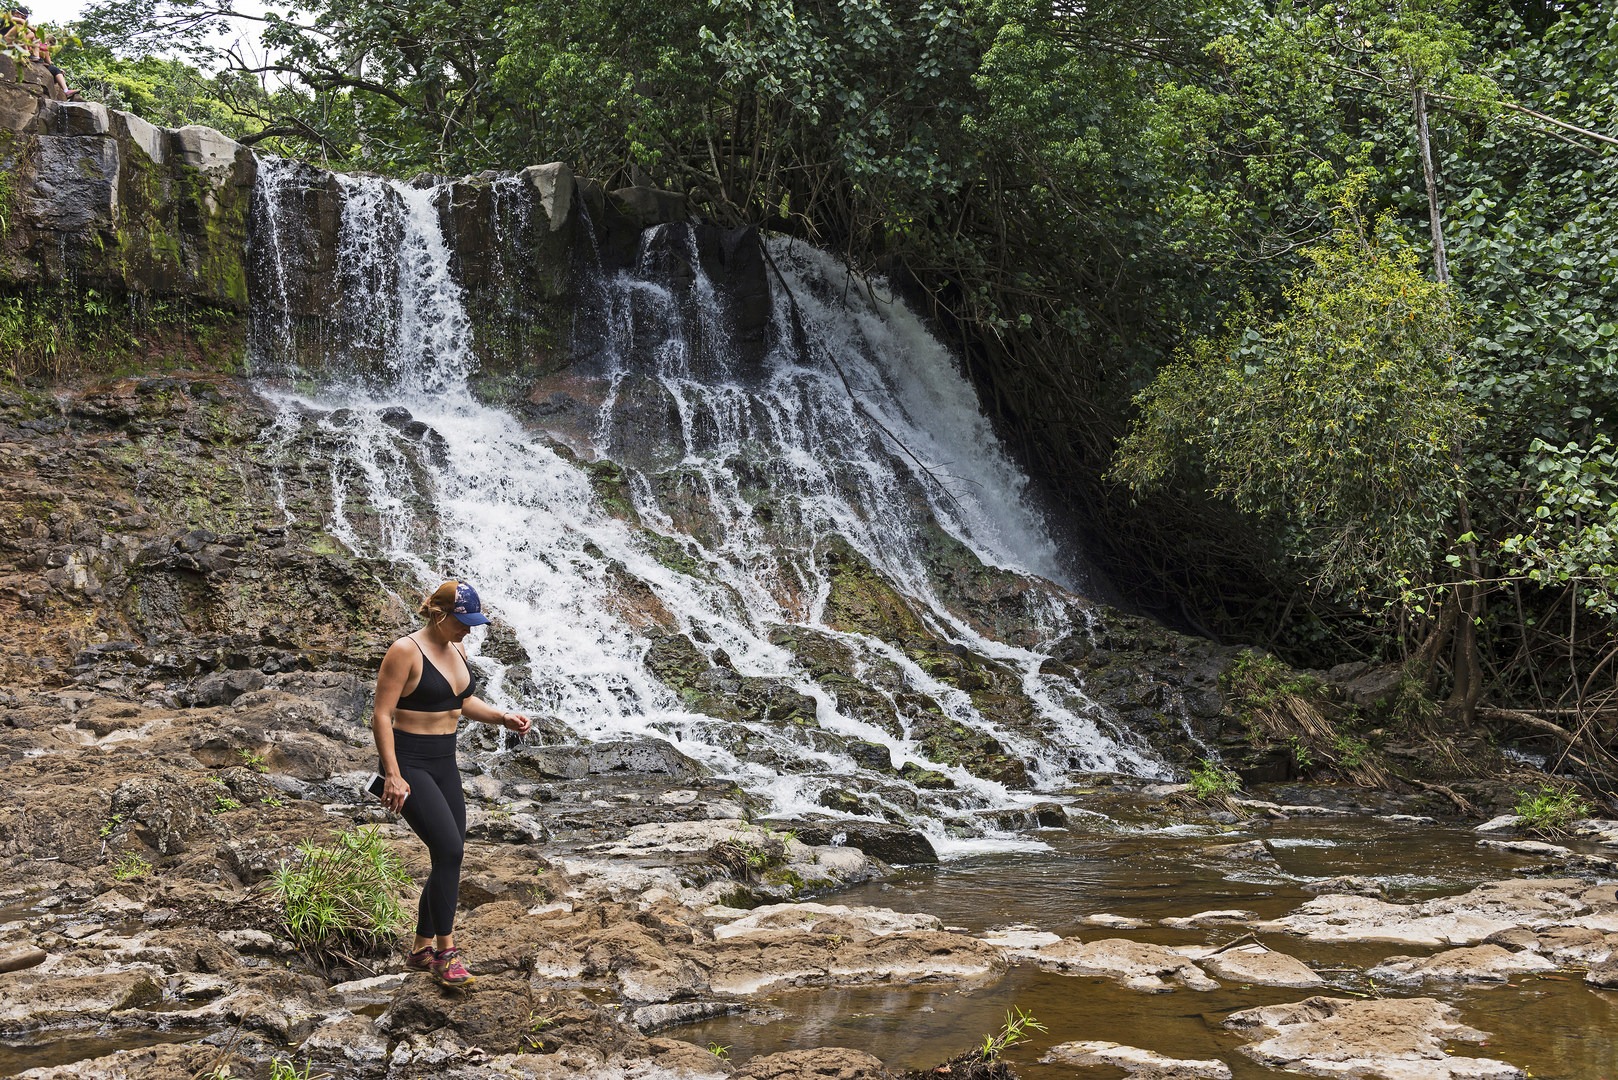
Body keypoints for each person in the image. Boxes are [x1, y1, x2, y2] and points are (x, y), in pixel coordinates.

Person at [372, 579, 531, 988]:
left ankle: (420, 948)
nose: (469, 630)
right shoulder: (405, 651)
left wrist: (502, 717)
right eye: (464, 621)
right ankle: (446, 953)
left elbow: (459, 702)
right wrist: (392, 774)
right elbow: (381, 715)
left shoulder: (457, 648)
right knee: (449, 848)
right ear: (440, 615)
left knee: (450, 854)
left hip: (445, 763)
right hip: (410, 763)